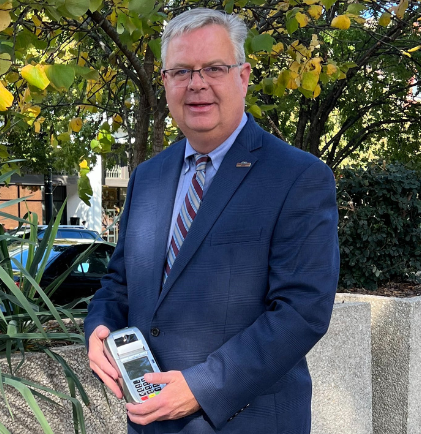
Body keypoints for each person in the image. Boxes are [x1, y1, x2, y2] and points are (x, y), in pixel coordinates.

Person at [84, 8, 339, 434]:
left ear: (243, 76)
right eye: (181, 71)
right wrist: (101, 328)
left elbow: (302, 312)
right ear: (164, 82)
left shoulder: (299, 176)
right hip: (149, 421)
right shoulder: (148, 176)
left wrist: (202, 387)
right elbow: (119, 283)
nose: (197, 83)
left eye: (214, 68)